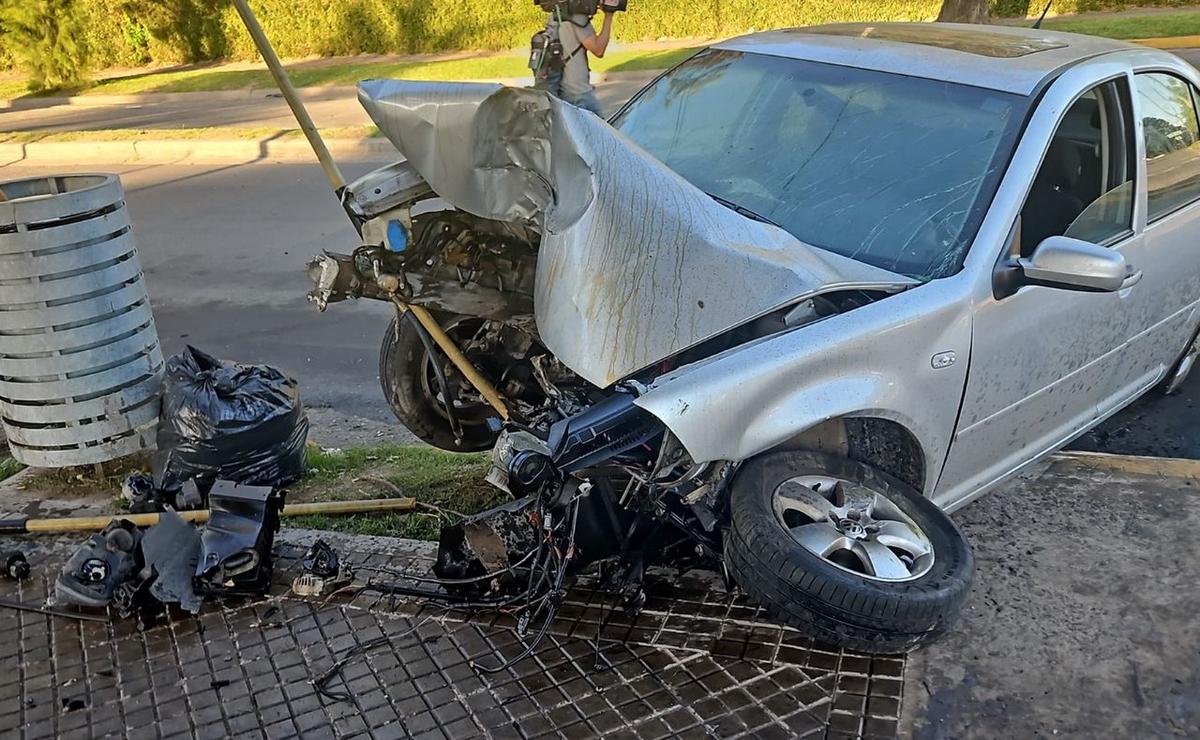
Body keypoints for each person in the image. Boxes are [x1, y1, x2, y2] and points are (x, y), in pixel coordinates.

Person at [536, 1, 617, 117]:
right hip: (579, 94)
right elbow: (598, 49)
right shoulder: (577, 17)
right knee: (603, 133)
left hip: (561, 90)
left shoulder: (555, 15)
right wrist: (609, 15)